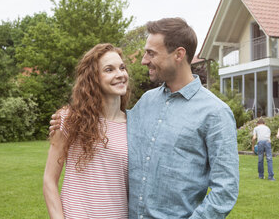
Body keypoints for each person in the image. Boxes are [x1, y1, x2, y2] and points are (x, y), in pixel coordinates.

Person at [50, 18, 239, 218]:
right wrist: (69, 118)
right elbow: (109, 122)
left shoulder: (215, 113)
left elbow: (225, 190)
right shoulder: (147, 102)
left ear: (178, 55)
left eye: (151, 53)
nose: (144, 60)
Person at [43, 43, 130, 218]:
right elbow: (49, 181)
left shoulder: (135, 125)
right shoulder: (69, 119)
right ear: (93, 78)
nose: (120, 74)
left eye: (122, 67)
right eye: (109, 70)